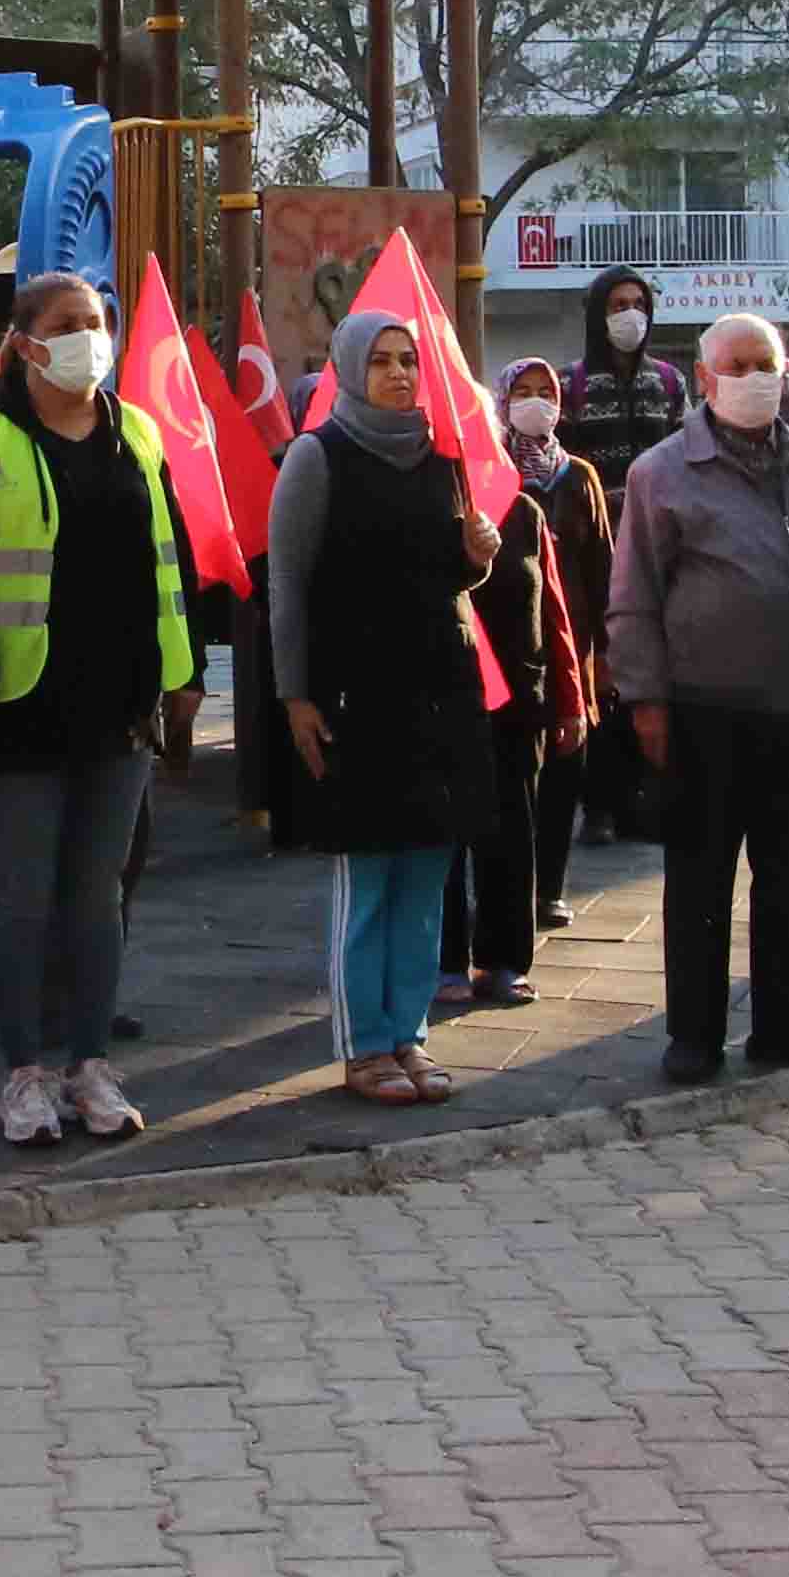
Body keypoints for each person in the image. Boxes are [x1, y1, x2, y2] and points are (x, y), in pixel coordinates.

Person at [0, 273, 195, 1146]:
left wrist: (182, 681)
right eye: (67, 325)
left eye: (97, 323)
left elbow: (170, 555)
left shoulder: (138, 431)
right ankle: (25, 1074)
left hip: (120, 708)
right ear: (25, 343)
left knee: (97, 897)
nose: (88, 338)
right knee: (24, 900)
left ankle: (92, 1066)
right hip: (14, 710)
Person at [603, 316, 789, 1083]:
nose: (757, 377)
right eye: (739, 364)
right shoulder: (662, 473)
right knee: (700, 881)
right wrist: (646, 702)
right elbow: (633, 596)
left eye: (769, 364)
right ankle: (694, 1037)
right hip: (705, 710)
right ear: (703, 377)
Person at [266, 306, 499, 1106]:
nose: (401, 373)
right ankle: (363, 1046)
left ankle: (410, 1035)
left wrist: (474, 560)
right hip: (354, 698)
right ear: (351, 368)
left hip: (442, 693)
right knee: (367, 881)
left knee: (429, 877)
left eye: (410, 360)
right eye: (383, 361)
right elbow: (288, 585)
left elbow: (444, 576)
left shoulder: (443, 460)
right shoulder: (317, 456)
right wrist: (292, 695)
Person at [448, 374, 596, 1021]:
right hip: (449, 699)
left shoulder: (525, 511)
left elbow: (556, 613)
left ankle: (504, 960)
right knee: (449, 843)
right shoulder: (435, 504)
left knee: (512, 836)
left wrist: (570, 699)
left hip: (520, 702)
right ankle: (448, 961)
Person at [501, 360, 615, 932]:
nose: (535, 402)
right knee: (516, 774)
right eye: (522, 392)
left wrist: (608, 648)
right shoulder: (491, 472)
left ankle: (551, 888)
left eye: (545, 393)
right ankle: (510, 893)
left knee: (567, 765)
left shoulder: (579, 477)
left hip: (575, 648)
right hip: (513, 646)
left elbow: (602, 567)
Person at [561, 272, 687, 499]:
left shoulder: (671, 380)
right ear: (599, 316)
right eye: (619, 305)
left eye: (639, 305)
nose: (632, 314)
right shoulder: (568, 383)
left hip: (660, 523)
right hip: (597, 527)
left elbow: (686, 457)